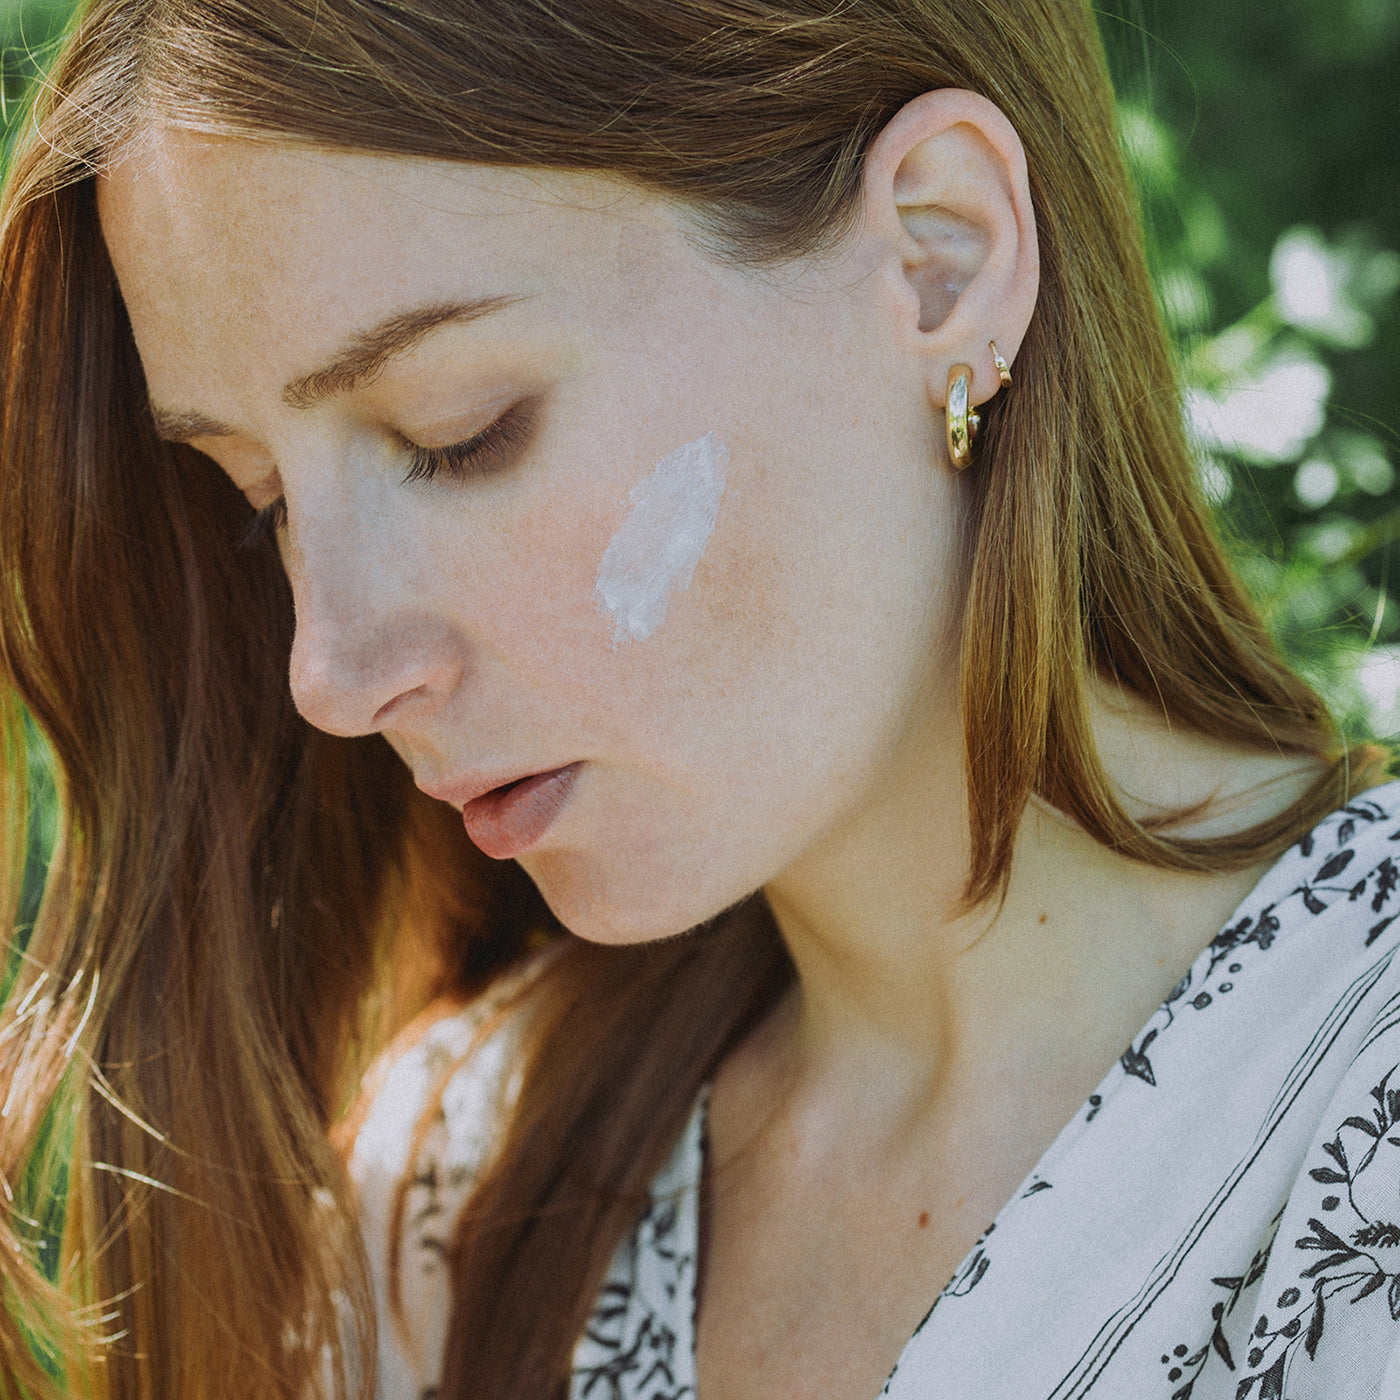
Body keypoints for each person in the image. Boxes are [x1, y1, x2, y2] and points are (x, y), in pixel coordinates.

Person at [0, 1, 1395, 1397]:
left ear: (939, 257)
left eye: (460, 432)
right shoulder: (448, 1202)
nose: (334, 672)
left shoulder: (1352, 1098)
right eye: (260, 505)